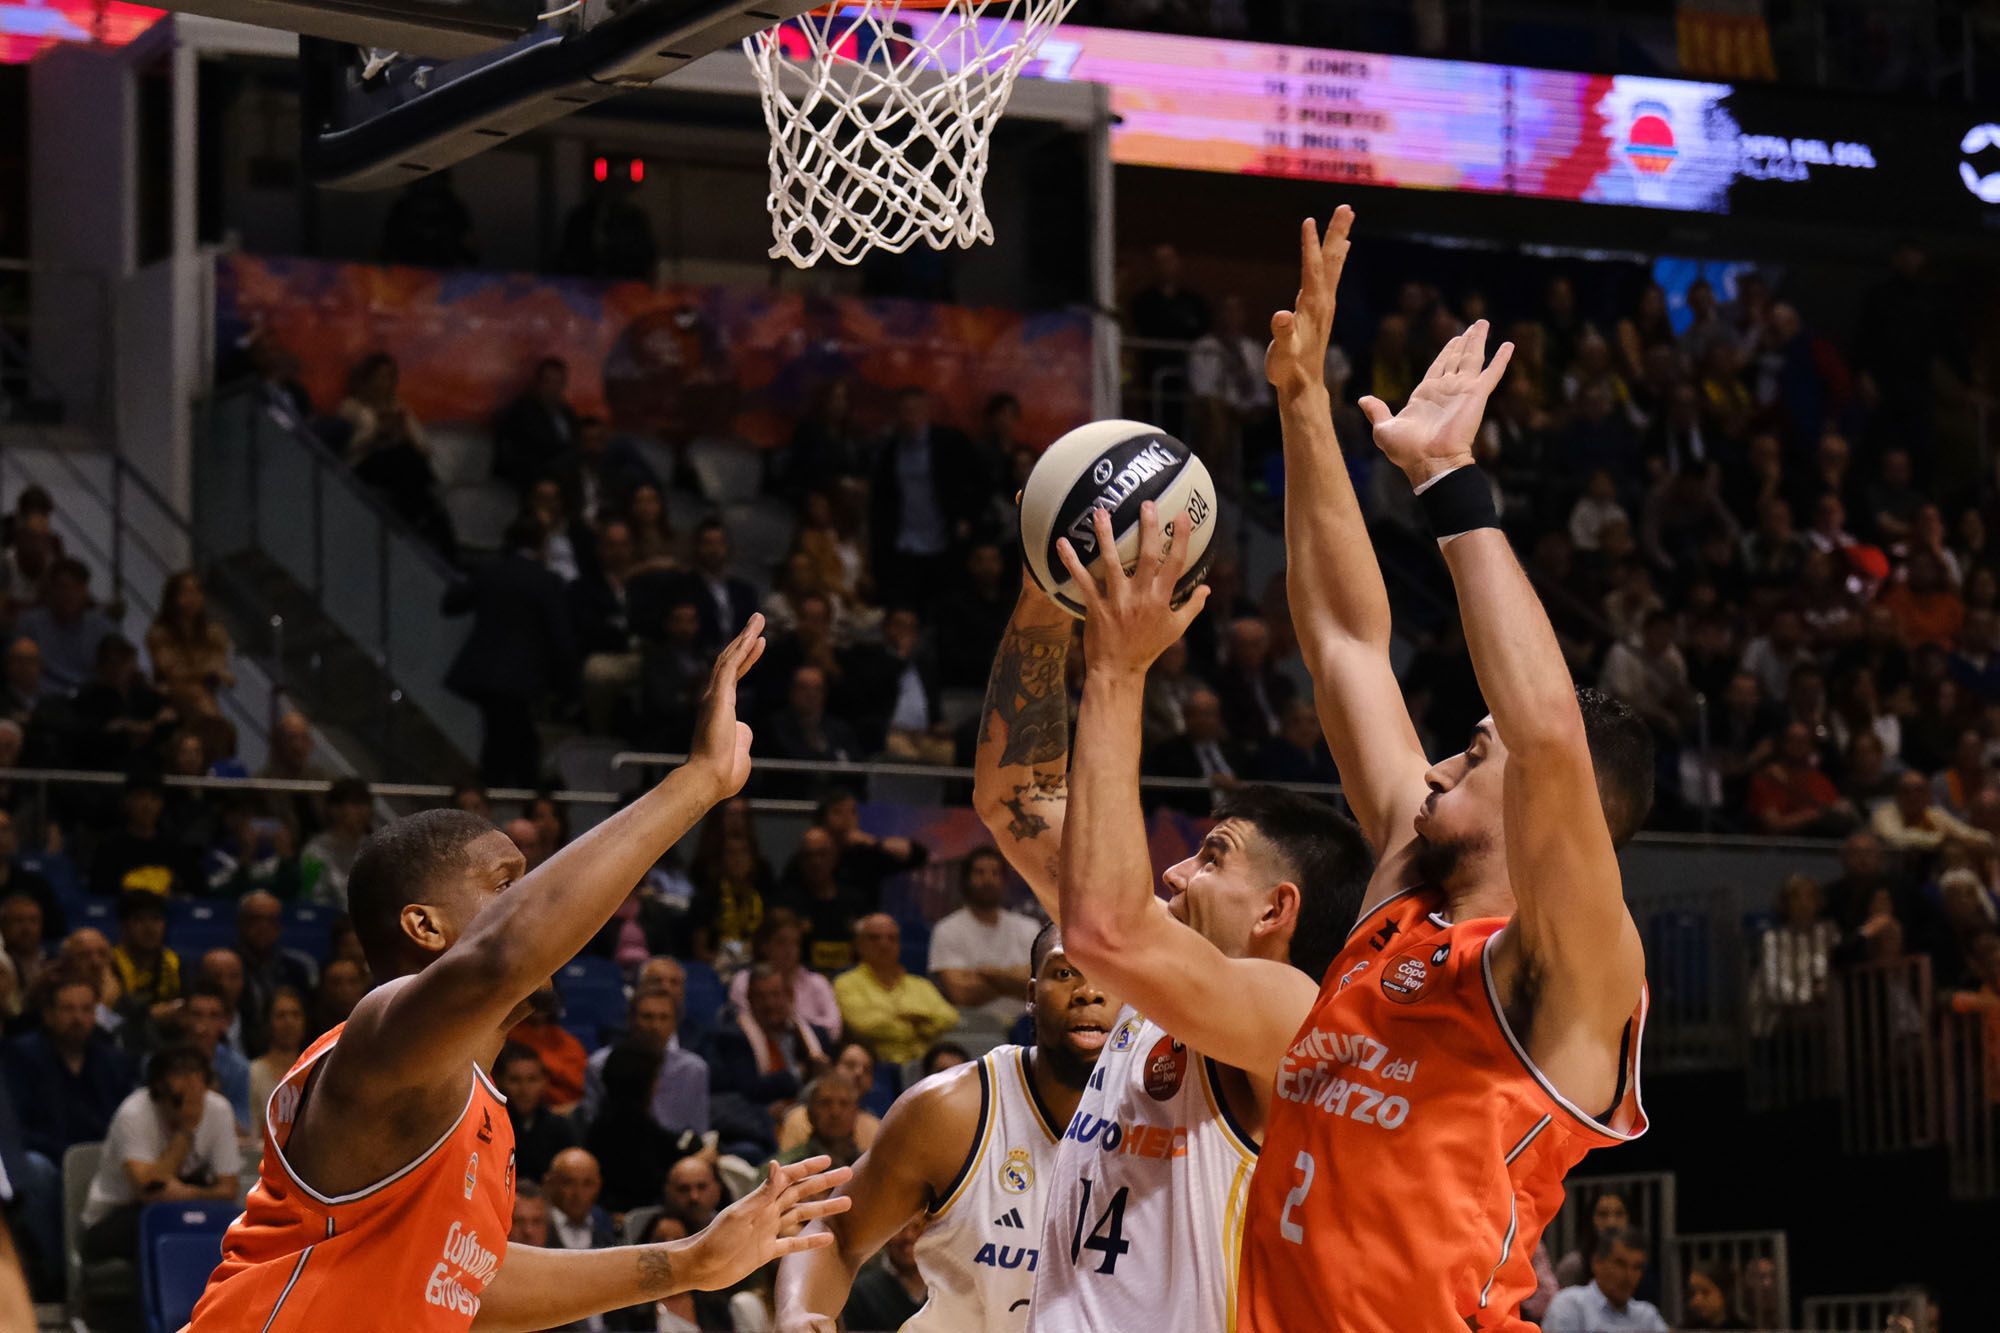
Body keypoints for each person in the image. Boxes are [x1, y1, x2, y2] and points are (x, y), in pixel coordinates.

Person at [191, 619, 854, 1330]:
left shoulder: (474, 1103)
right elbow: (502, 955)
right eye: (507, 884)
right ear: (424, 927)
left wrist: (689, 1259)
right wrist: (698, 781)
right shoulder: (379, 1034)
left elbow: (473, 1279)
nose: (539, 902)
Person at [1235, 214, 1653, 1329]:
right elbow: (1340, 644)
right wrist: (1301, 404)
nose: (1435, 769)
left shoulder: (1568, 974)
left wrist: (1446, 480)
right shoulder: (1399, 883)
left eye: (1471, 752)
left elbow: (1548, 734)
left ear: (1537, 806)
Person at [970, 543, 1370, 1333]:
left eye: (1212, 855)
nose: (1178, 873)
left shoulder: (1292, 1016)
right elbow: (1011, 793)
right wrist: (1045, 591)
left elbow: (1106, 925)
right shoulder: (1152, 969)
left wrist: (1117, 670)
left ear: (1274, 910)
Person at [775, 923, 1117, 1332]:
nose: (1088, 991)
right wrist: (799, 1312)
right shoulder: (949, 1109)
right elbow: (838, 1232)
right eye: (1064, 973)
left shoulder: (1174, 1117)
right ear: (1030, 995)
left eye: (1109, 974)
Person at [443, 516, 581, 788]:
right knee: (510, 737)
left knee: (505, 734)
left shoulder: (492, 570)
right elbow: (560, 635)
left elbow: (452, 602)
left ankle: (507, 786)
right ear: (541, 544)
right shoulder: (545, 580)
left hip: (483, 671)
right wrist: (570, 685)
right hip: (520, 677)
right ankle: (508, 788)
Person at [80, 1043, 240, 1261]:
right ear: (159, 1084)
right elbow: (148, 1191)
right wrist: (186, 1130)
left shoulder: (218, 1109)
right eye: (180, 1074)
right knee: (160, 1225)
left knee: (228, 1225)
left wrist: (189, 1193)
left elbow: (228, 1190)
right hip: (116, 1216)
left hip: (180, 1203)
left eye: (196, 1073)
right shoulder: (134, 1113)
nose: (192, 1083)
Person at [706, 964, 834, 1161]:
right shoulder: (734, 1037)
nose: (770, 1003)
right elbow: (750, 1090)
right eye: (761, 997)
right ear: (749, 1000)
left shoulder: (815, 1037)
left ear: (789, 995)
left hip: (814, 1121)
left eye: (776, 994)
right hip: (762, 1127)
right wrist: (800, 1072)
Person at [3, 971, 134, 1162]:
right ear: (48, 1015)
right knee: (35, 1164)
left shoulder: (112, 1059)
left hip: (104, 1156)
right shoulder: (21, 1055)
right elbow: (16, 1124)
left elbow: (125, 1119)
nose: (77, 1018)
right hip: (49, 1154)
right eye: (68, 1009)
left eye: (86, 1009)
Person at [926, 847, 1040, 1043]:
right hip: (973, 1028)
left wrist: (988, 974)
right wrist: (1014, 978)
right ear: (966, 879)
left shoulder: (1029, 928)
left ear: (1004, 881)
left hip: (1027, 1027)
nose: (988, 880)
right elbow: (960, 994)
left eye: (995, 873)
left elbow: (1038, 989)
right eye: (979, 873)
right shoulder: (947, 929)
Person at [833, 915, 959, 1067]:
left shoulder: (921, 984)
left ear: (899, 944)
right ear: (859, 944)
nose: (884, 944)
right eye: (874, 938)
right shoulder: (845, 983)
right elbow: (866, 1025)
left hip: (924, 1067)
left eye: (892, 938)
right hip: (876, 1066)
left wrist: (899, 1017)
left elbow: (950, 1018)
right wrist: (920, 1023)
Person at [725, 911, 840, 1037]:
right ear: (764, 946)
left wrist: (794, 1023)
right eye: (782, 942)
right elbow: (745, 1023)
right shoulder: (744, 981)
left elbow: (834, 1028)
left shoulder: (817, 982)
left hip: (811, 1051)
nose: (789, 950)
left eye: (795, 943)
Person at [146, 570, 235, 728]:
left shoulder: (214, 633)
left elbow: (220, 667)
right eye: (186, 592)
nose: (191, 598)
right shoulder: (159, 634)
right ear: (172, 598)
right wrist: (206, 671)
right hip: (171, 697)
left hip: (204, 696)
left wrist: (203, 672)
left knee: (199, 697)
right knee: (196, 696)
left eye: (196, 591)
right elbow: (171, 673)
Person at [16, 557, 116, 696]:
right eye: (63, 587)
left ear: (85, 591)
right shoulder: (30, 623)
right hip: (44, 699)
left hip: (89, 700)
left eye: (76, 588)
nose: (69, 594)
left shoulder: (101, 626)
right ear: (51, 589)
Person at [1539, 1229, 1667, 1332]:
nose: (1629, 1275)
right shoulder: (1570, 1304)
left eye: (1637, 1267)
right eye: (1620, 1264)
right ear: (1597, 1263)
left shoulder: (1647, 1315)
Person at [495, 1043, 579, 1185]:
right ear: (499, 1082)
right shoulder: (493, 1127)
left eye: (532, 1079)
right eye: (515, 1080)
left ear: (544, 1082)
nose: (524, 1089)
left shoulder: (559, 1127)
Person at [494, 357, 580, 492]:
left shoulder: (567, 413)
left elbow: (577, 442)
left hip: (564, 474)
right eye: (548, 381)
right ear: (538, 383)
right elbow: (538, 446)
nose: (553, 388)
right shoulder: (523, 411)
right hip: (533, 476)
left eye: (558, 382)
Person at [301, 776, 374, 910]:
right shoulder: (314, 851)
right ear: (334, 810)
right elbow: (310, 894)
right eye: (354, 804)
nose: (360, 812)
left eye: (364, 805)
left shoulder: (376, 849)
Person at [249, 986, 307, 1144]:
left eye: (295, 1015)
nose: (289, 1022)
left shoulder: (314, 1069)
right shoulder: (253, 1072)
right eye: (281, 1016)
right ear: (268, 1022)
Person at [776, 1075, 864, 1170]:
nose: (835, 1112)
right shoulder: (784, 1169)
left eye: (844, 1103)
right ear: (809, 1113)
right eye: (825, 1103)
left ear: (856, 1112)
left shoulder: (871, 1166)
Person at [1682, 1263, 1749, 1328]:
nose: (1695, 1301)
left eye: (1705, 1292)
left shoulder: (1742, 1329)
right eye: (1692, 1293)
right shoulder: (1685, 1330)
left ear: (1724, 1293)